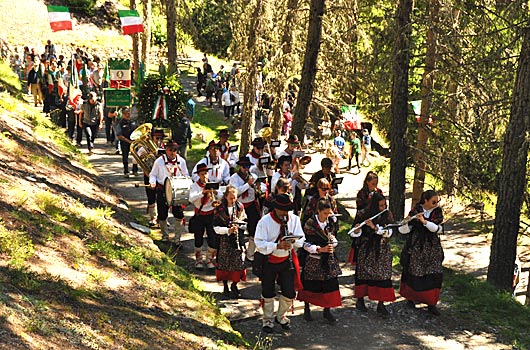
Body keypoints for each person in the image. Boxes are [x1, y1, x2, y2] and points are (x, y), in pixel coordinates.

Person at [255, 194, 305, 333]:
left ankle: (280, 315)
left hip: (286, 260)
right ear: (275, 208)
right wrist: (277, 245)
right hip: (269, 261)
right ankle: (267, 320)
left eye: (287, 210)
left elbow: (301, 239)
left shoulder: (294, 219)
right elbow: (259, 244)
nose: (285, 213)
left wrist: (294, 241)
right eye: (282, 210)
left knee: (289, 292)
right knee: (268, 291)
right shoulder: (264, 222)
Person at [398, 190, 444, 316]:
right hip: (417, 246)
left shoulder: (437, 212)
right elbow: (404, 231)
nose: (436, 204)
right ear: (426, 200)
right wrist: (405, 223)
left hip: (432, 247)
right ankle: (411, 298)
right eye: (433, 202)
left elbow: (436, 228)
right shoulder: (416, 210)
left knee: (434, 272)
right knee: (414, 271)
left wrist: (425, 222)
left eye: (437, 201)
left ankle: (431, 302)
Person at [350, 193, 395, 317]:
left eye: (384, 205)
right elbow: (354, 233)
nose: (383, 208)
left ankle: (381, 304)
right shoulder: (363, 214)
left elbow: (389, 232)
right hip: (366, 249)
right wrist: (358, 229)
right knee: (363, 274)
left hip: (382, 249)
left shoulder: (387, 215)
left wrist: (374, 227)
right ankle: (360, 300)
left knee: (383, 275)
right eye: (380, 206)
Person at [298, 199, 342, 324]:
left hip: (328, 259)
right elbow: (304, 243)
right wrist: (319, 249)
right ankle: (307, 309)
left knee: (330, 284)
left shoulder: (330, 223)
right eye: (325, 213)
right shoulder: (310, 224)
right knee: (311, 284)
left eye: (329, 213)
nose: (327, 216)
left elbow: (334, 239)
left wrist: (333, 242)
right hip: (314, 259)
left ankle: (327, 311)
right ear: (318, 211)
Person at [149, 141, 189, 243]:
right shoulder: (159, 161)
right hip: (163, 189)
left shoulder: (181, 161)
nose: (172, 152)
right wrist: (152, 182)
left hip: (177, 190)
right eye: (170, 150)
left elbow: (186, 175)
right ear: (166, 150)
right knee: (162, 214)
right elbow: (153, 174)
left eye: (174, 150)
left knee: (179, 214)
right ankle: (165, 235)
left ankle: (177, 238)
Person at [213, 185, 247, 298]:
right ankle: (225, 286)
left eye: (235, 198)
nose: (233, 200)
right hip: (224, 241)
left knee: (238, 263)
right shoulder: (219, 209)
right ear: (226, 197)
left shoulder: (240, 208)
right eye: (231, 198)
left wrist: (239, 223)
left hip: (237, 240)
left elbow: (245, 224)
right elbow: (215, 228)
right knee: (224, 263)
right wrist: (228, 230)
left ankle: (234, 284)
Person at [230, 156, 266, 262]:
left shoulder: (253, 176)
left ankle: (250, 254)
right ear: (240, 167)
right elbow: (236, 192)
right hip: (238, 205)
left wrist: (259, 187)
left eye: (248, 166)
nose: (246, 169)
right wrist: (247, 185)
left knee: (253, 229)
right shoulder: (234, 178)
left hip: (251, 204)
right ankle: (238, 252)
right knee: (238, 230)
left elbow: (261, 188)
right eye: (244, 166)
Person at [189, 163, 224, 270]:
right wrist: (202, 193)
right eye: (202, 174)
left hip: (211, 214)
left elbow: (221, 196)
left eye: (206, 173)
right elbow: (191, 199)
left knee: (212, 237)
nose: (205, 176)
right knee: (198, 237)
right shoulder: (194, 186)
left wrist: (216, 192)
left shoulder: (212, 183)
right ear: (198, 175)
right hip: (200, 214)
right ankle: (198, 260)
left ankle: (209, 259)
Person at [348, 171, 384, 266]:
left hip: (376, 220)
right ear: (367, 182)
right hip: (363, 219)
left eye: (376, 184)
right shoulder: (362, 193)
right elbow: (360, 207)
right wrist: (371, 201)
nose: (375, 186)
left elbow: (382, 204)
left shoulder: (379, 192)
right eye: (373, 184)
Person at [116, 107, 139, 177]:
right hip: (125, 142)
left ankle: (135, 170)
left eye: (128, 113)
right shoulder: (120, 123)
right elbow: (119, 135)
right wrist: (128, 141)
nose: (127, 115)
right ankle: (126, 171)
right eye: (125, 113)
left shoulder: (134, 121)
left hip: (134, 142)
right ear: (123, 114)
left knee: (136, 157)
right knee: (125, 157)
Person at [78, 91, 103, 155]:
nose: (93, 101)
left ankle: (91, 145)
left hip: (95, 123)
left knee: (93, 136)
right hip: (86, 122)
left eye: (94, 99)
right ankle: (90, 148)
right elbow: (81, 113)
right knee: (89, 135)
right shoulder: (84, 104)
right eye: (92, 100)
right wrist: (79, 122)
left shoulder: (98, 104)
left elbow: (101, 114)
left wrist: (100, 123)